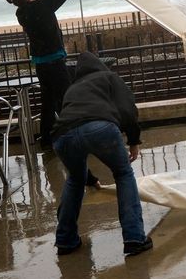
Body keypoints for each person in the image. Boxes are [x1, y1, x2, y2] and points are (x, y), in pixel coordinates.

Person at [6, 0, 104, 188]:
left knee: (48, 100)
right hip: (55, 63)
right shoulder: (42, 6)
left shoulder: (22, 13)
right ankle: (75, 136)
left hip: (41, 64)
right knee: (66, 101)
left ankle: (48, 140)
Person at [52, 52, 152, 257]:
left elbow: (75, 130)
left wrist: (89, 179)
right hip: (99, 127)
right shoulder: (109, 77)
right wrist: (134, 141)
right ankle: (134, 238)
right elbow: (127, 109)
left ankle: (65, 241)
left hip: (61, 136)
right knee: (123, 173)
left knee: (74, 180)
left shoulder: (72, 88)